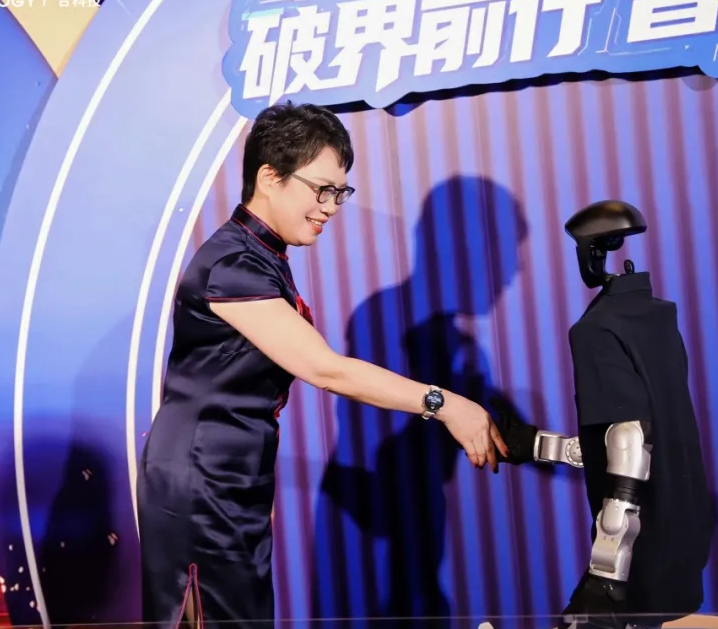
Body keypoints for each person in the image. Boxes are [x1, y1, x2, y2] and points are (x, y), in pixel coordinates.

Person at [137, 101, 508, 627]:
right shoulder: (233, 264)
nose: (331, 207)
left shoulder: (261, 256)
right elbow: (327, 370)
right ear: (270, 177)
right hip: (201, 479)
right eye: (322, 190)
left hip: (232, 477)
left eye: (340, 193)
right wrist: (443, 403)